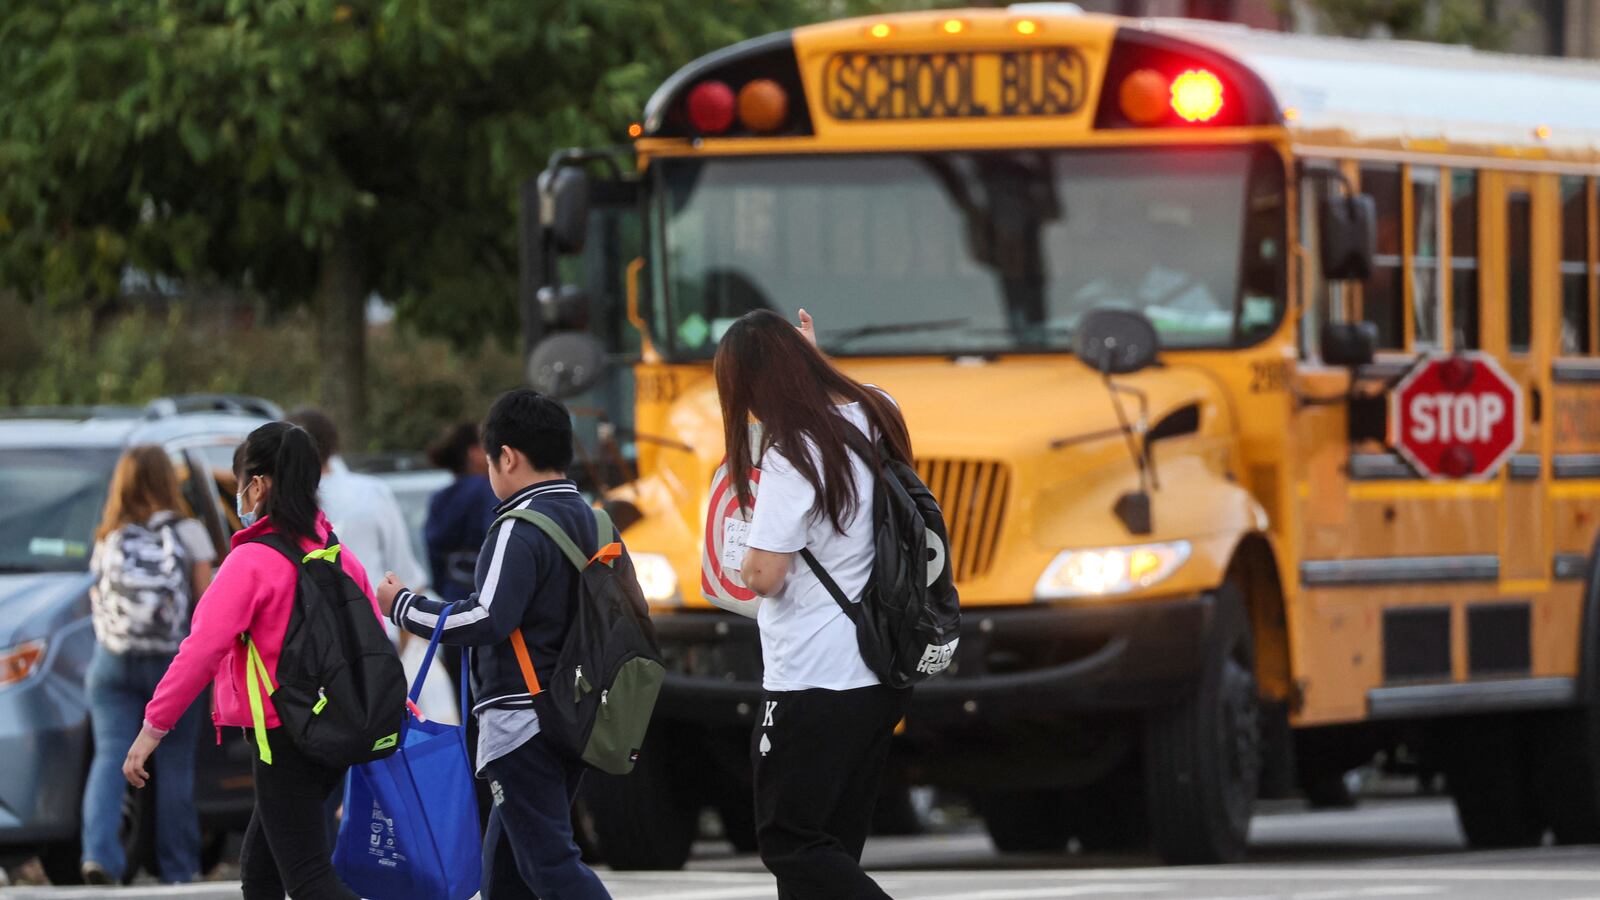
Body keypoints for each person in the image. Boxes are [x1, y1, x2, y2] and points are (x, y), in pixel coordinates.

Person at [124, 422, 379, 900]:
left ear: (258, 485)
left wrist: (151, 730)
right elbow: (372, 644)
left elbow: (201, 650)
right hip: (336, 729)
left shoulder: (252, 561)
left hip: (282, 734)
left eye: (241, 481)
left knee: (307, 878)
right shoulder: (338, 555)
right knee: (261, 874)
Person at [375, 389, 612, 900]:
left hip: (523, 719)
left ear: (507, 457)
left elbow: (486, 618)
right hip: (580, 711)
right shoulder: (595, 520)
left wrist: (402, 606)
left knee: (549, 865)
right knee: (505, 878)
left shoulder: (518, 525)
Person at [717, 308, 912, 900]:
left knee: (790, 841)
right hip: (879, 666)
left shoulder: (792, 455)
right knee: (832, 846)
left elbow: (765, 574)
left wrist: (741, 560)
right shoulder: (879, 410)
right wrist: (807, 356)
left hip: (811, 677)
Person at [80, 446, 215, 885]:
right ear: (167, 480)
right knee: (174, 763)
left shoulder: (108, 536)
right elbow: (206, 604)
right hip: (172, 665)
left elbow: (97, 598)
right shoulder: (189, 532)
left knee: (110, 757)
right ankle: (178, 868)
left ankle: (100, 856)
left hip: (112, 661)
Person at [287, 408, 453, 724]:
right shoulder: (371, 493)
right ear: (333, 444)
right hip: (375, 635)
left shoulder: (285, 504)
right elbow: (405, 573)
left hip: (309, 648)